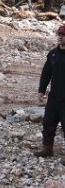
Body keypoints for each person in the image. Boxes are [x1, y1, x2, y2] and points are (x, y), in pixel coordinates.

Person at [34, 24, 65, 157]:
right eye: (59, 34)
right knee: (48, 122)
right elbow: (46, 73)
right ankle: (47, 148)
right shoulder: (52, 54)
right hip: (54, 96)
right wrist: (41, 90)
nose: (60, 37)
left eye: (63, 35)